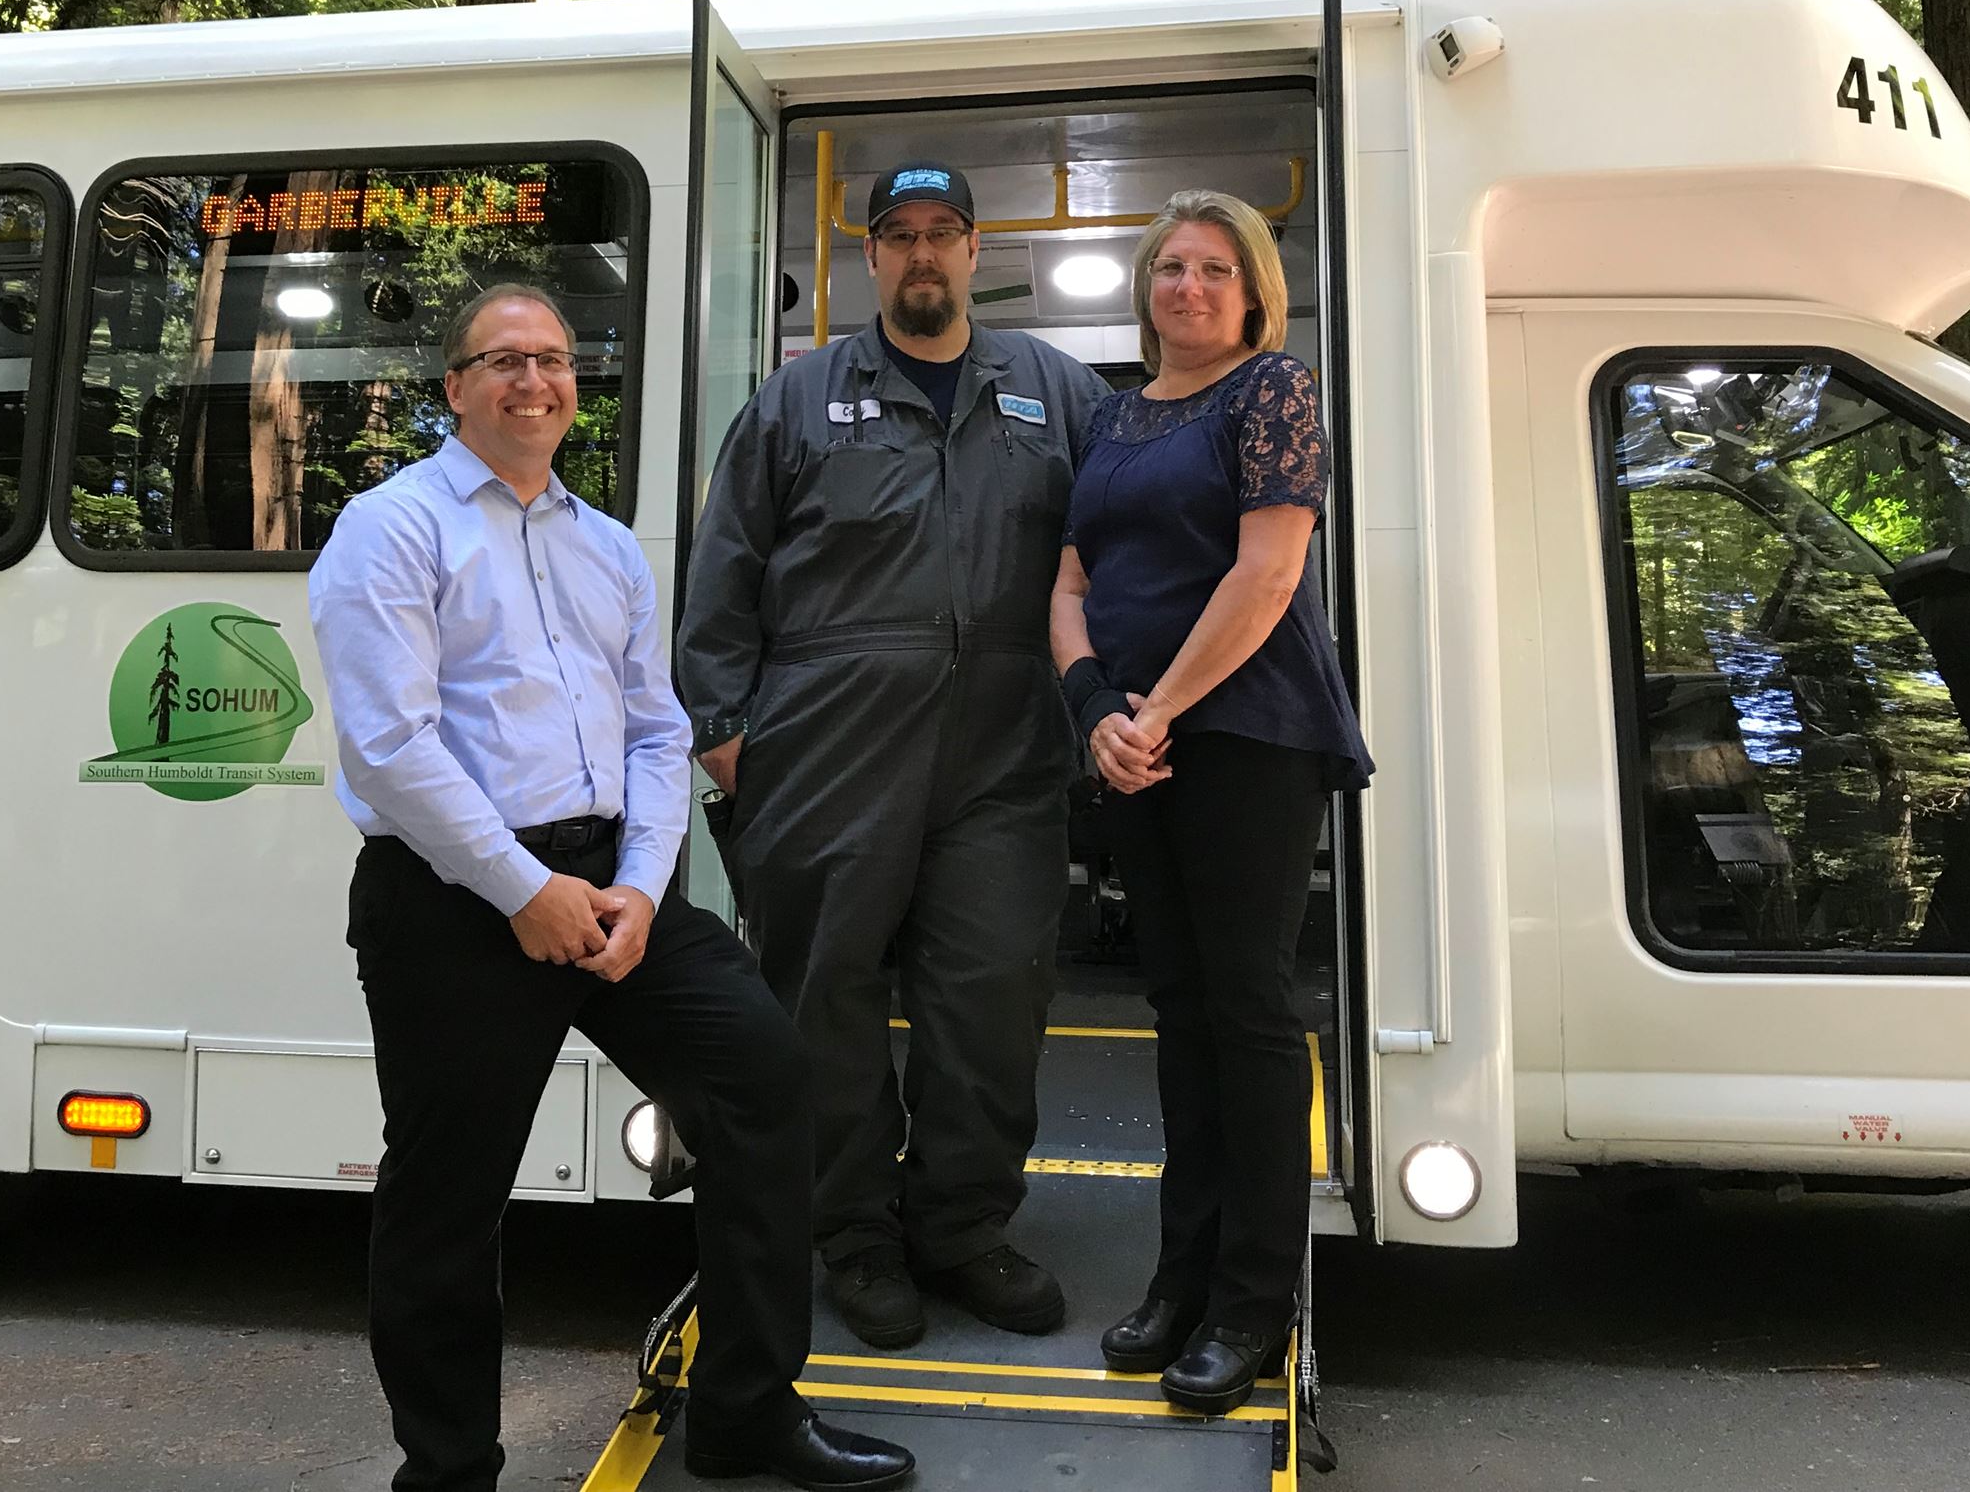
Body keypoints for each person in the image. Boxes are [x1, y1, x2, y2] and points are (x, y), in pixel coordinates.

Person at [309, 282, 913, 1492]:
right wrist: (519, 887)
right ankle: (447, 1472)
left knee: (763, 1078)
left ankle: (745, 1414)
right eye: (502, 362)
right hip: (453, 899)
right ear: (454, 389)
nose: (533, 381)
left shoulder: (603, 546)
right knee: (447, 1204)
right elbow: (391, 745)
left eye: (552, 361)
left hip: (606, 888)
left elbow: (653, 729)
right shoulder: (393, 527)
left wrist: (640, 887)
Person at [678, 163, 1109, 1349]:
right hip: (825, 757)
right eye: (897, 237)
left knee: (990, 1003)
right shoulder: (797, 402)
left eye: (942, 234)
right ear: (867, 260)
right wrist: (725, 741)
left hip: (1003, 764)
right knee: (824, 1004)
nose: (921, 255)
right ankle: (854, 1239)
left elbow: (1125, 548)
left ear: (976, 250)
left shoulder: (1056, 393)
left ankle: (962, 1229)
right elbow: (721, 579)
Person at [1047, 190, 1372, 1416]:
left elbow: (1267, 569)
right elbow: (1068, 578)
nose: (1186, 287)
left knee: (1243, 1011)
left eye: (1212, 270)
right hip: (1134, 740)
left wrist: (1158, 711)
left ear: (1250, 296)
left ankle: (1252, 1304)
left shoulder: (1270, 393)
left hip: (1241, 737)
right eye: (1169, 267)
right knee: (1177, 1009)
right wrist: (1095, 711)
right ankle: (1178, 1279)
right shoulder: (1115, 415)